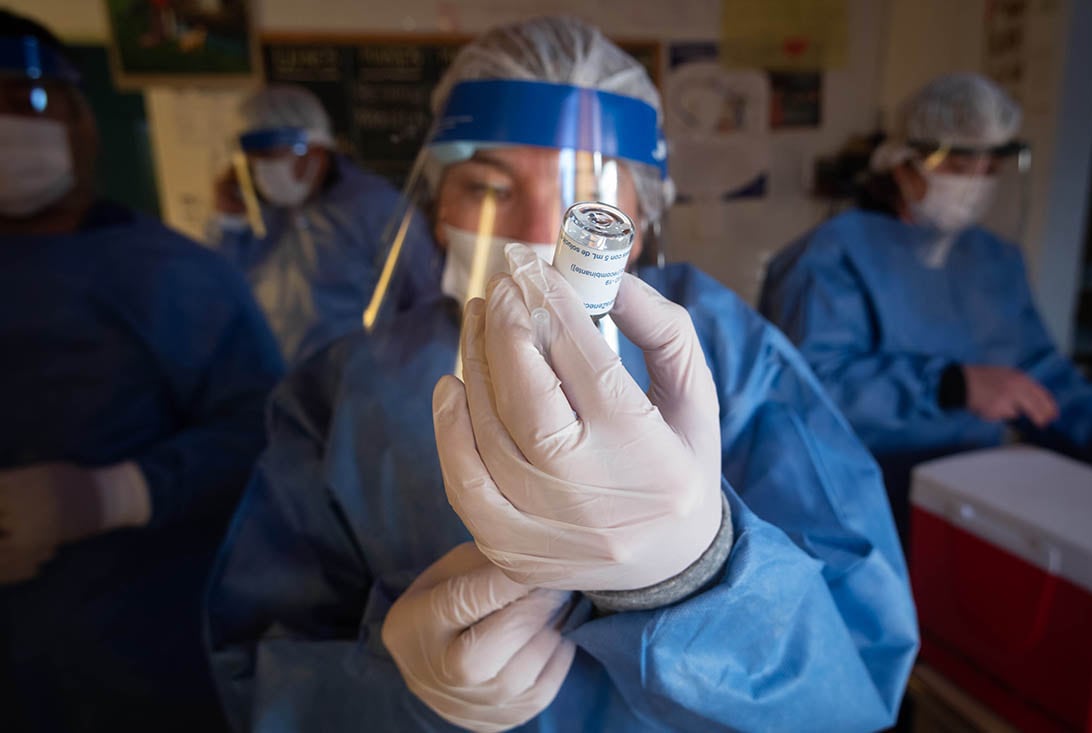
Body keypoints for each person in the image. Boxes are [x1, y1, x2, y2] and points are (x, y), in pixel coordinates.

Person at [207, 17, 918, 732]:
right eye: (488, 189)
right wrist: (402, 691)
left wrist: (701, 579)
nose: (542, 232)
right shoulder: (343, 391)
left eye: (590, 202)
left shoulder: (728, 356)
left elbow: (853, 682)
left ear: (640, 220)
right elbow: (260, 669)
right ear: (439, 209)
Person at [0, 11, 284, 732]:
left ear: (81, 120)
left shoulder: (166, 275)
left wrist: (107, 496)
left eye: (24, 102)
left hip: (139, 657)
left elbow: (262, 427)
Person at [759, 73, 1092, 541]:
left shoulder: (993, 259)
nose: (976, 184)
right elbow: (805, 391)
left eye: (989, 169)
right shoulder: (830, 256)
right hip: (862, 507)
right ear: (904, 164)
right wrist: (949, 384)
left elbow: (1038, 377)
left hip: (976, 502)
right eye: (960, 166)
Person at [209, 84, 440, 364]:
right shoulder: (258, 216)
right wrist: (229, 222)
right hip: (274, 383)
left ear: (317, 151)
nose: (264, 170)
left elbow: (428, 304)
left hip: (360, 386)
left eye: (274, 156)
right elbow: (223, 292)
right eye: (256, 160)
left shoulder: (376, 208)